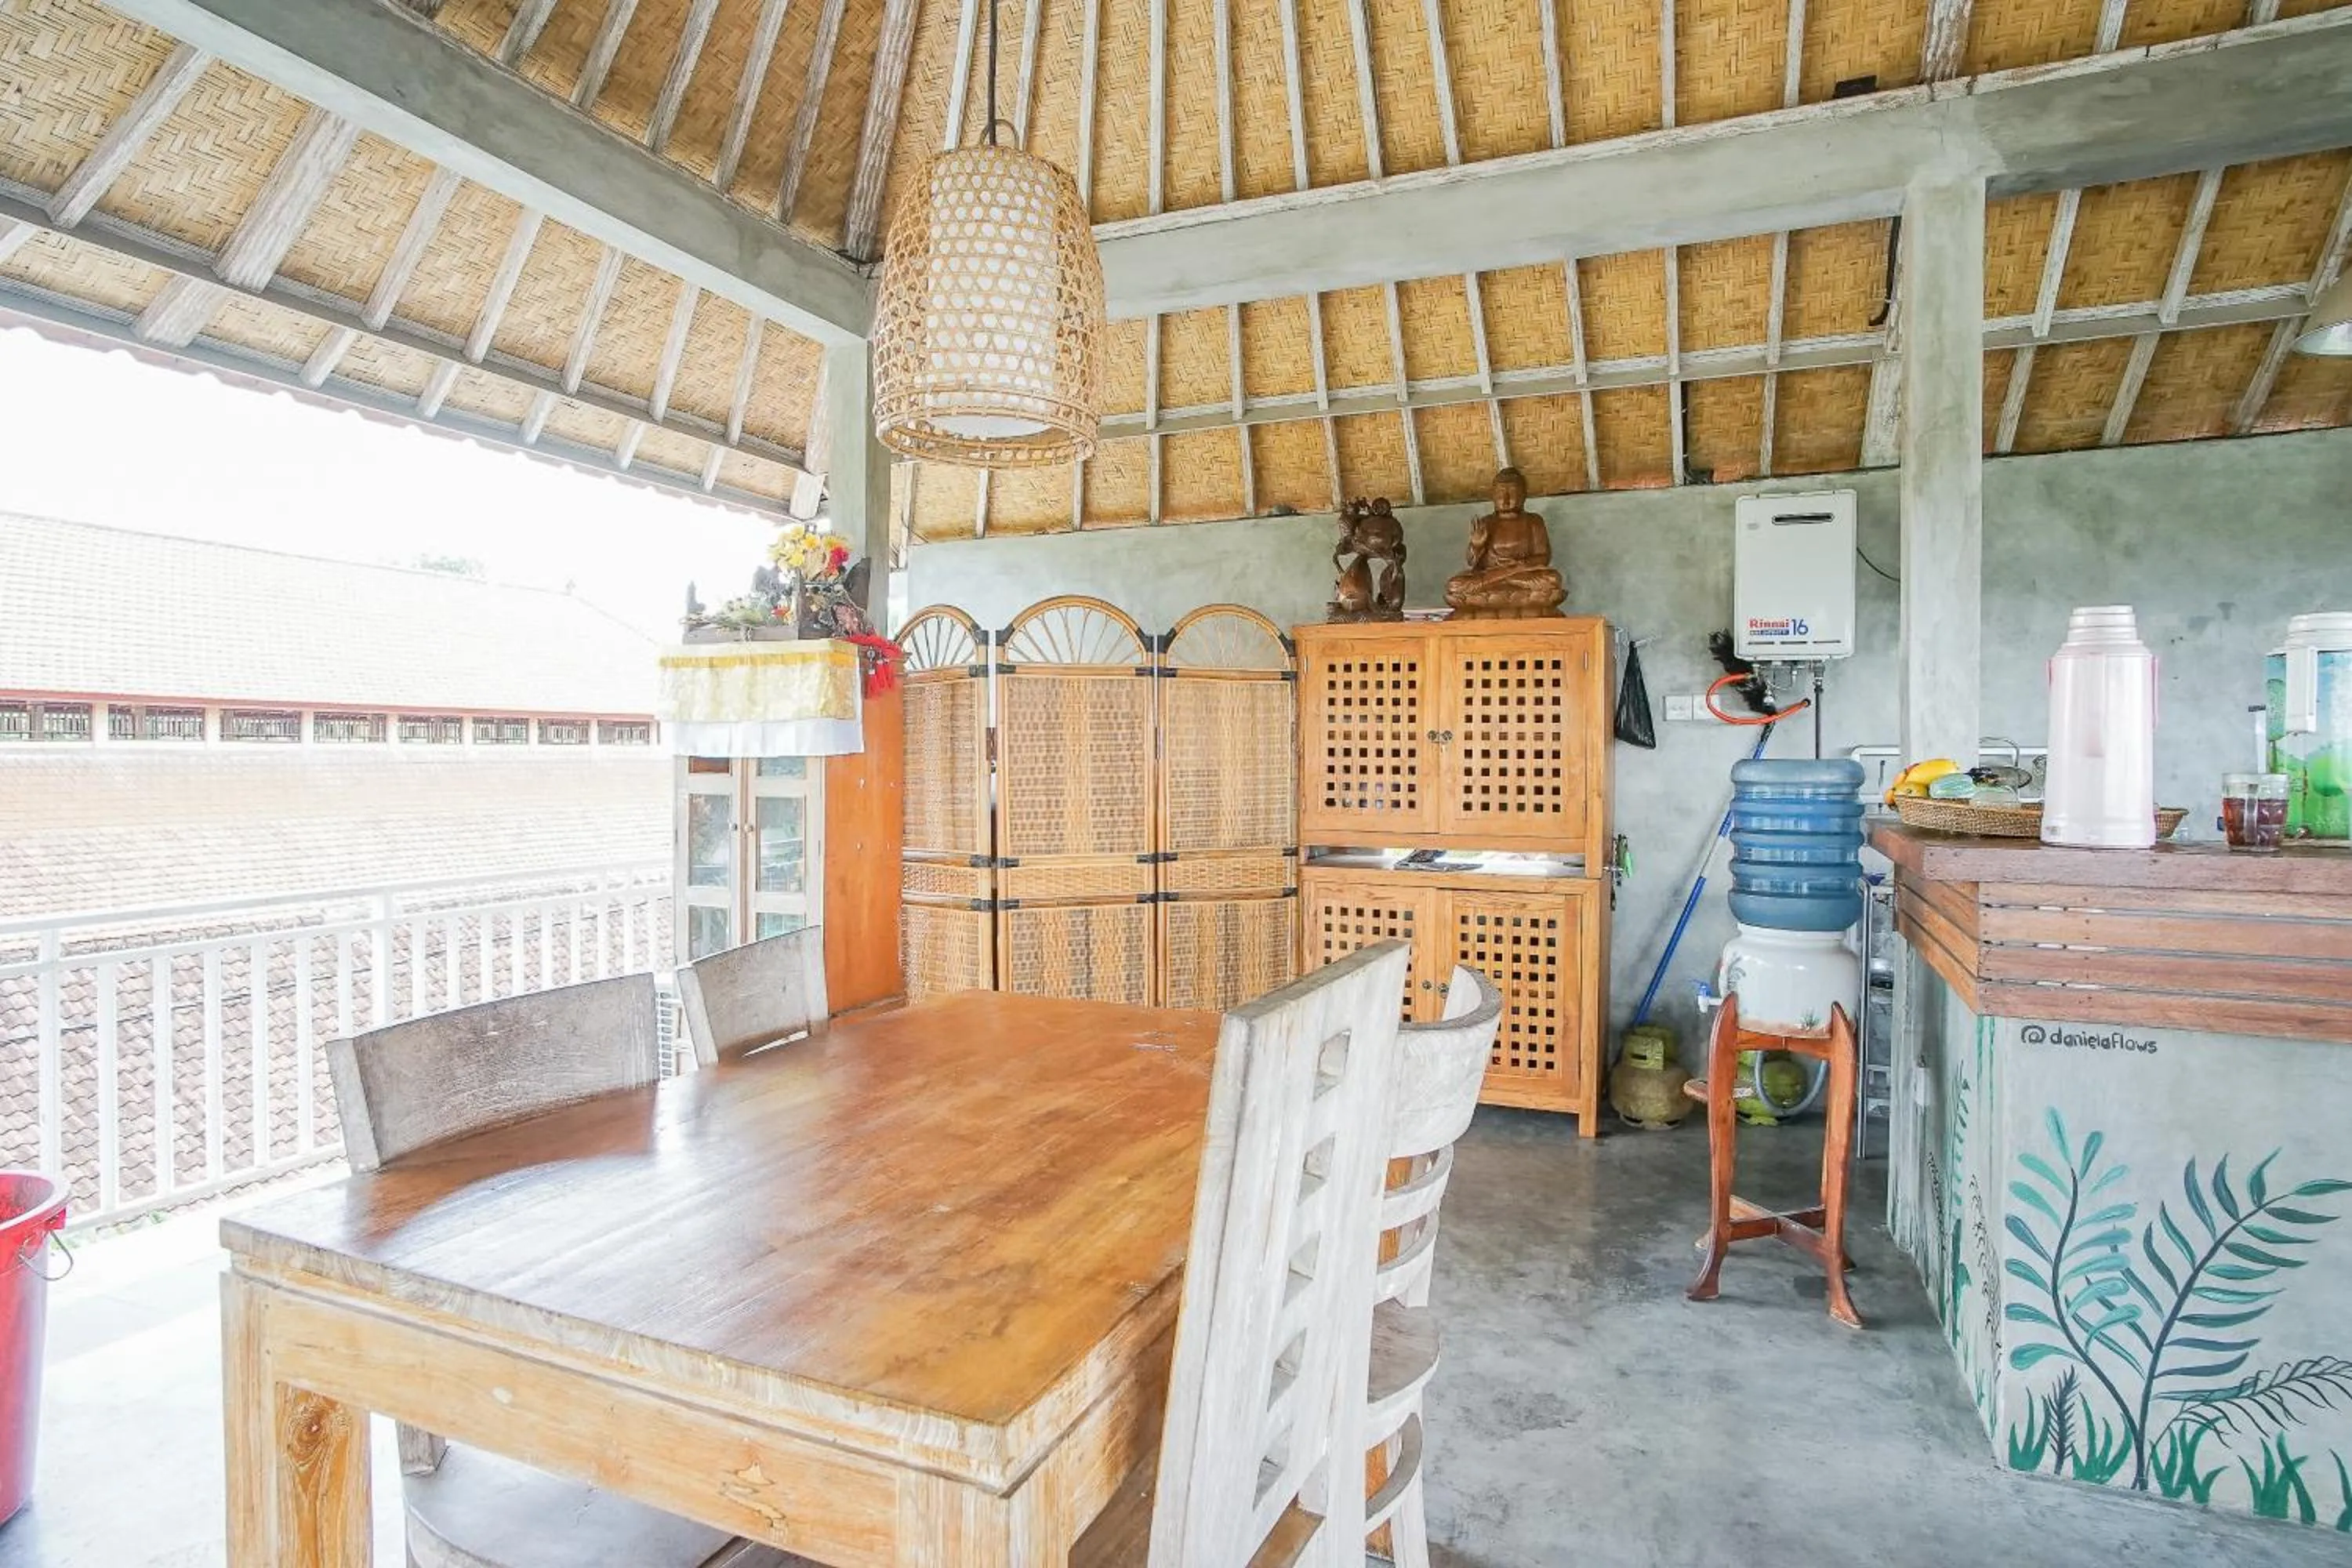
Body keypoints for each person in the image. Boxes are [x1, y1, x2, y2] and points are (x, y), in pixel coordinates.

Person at [1443, 466, 1565, 618]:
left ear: (1523, 496)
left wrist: (1518, 568)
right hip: (1491, 578)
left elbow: (1543, 557)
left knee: (1552, 580)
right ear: (1493, 496)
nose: (1506, 499)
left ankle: (1502, 591)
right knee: (1455, 586)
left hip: (1520, 578)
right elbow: (1473, 563)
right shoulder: (1486, 523)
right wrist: (1476, 545)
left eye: (1512, 493)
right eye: (1501, 494)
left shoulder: (1534, 521)